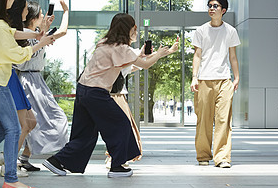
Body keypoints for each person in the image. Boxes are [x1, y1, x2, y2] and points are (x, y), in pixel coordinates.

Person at [42, 13, 178, 178]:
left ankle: (57, 161)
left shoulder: (104, 43)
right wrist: (159, 54)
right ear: (129, 29)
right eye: (134, 28)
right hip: (96, 93)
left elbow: (125, 61)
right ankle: (117, 166)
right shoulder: (122, 48)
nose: (136, 31)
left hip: (83, 90)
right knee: (121, 124)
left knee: (85, 133)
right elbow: (145, 65)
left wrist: (139, 55)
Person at [0, 0, 53, 188]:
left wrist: (35, 36)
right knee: (14, 128)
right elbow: (17, 55)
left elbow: (14, 33)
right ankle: (10, 178)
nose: (14, 0)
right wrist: (39, 44)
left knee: (1, 128)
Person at [16, 0, 70, 171]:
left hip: (35, 80)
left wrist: (66, 12)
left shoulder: (38, 33)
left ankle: (23, 157)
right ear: (33, 18)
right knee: (42, 120)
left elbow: (62, 32)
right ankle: (15, 159)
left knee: (32, 122)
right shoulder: (24, 35)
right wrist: (42, 34)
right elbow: (26, 57)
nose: (43, 17)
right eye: (40, 14)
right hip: (28, 81)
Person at [190, 0, 240, 169]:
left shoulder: (231, 31)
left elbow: (233, 57)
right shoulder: (201, 30)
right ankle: (203, 155)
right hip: (204, 80)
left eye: (215, 6)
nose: (211, 8)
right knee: (203, 119)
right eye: (209, 5)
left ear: (223, 10)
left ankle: (222, 157)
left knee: (223, 120)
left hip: (224, 80)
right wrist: (194, 77)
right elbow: (197, 55)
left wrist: (237, 77)